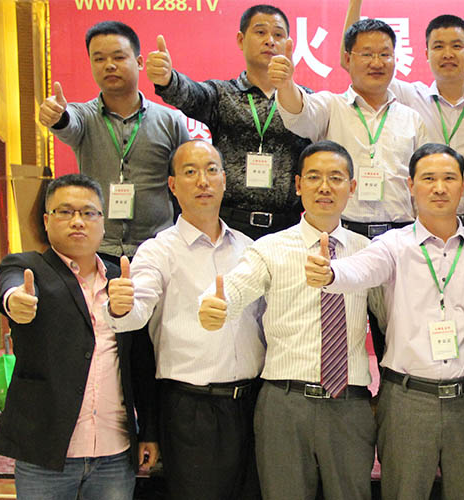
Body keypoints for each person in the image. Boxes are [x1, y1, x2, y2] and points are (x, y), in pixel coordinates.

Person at [304, 144, 464, 499]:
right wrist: (332, 273)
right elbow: (361, 269)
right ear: (410, 185)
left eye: (448, 178)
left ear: (463, 184)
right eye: (428, 178)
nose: (438, 188)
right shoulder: (391, 244)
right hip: (408, 401)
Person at [197, 141, 376, 500]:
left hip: (349, 403)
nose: (324, 187)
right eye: (314, 177)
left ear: (352, 187)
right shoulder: (269, 248)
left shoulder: (369, 252)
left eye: (336, 178)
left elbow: (392, 316)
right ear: (297, 185)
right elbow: (235, 287)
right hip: (284, 403)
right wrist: (213, 304)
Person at [104, 140, 264, 500]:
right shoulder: (158, 250)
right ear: (173, 186)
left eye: (211, 170)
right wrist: (121, 306)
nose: (203, 181)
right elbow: (136, 309)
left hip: (252, 404)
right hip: (192, 410)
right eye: (190, 172)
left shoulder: (249, 248)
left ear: (225, 180)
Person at [0, 174, 158, 499]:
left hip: (114, 453)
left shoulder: (120, 279)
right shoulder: (27, 267)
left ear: (103, 222)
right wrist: (15, 301)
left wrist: (149, 430)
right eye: (65, 212)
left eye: (88, 212)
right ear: (46, 220)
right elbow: (10, 288)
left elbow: (139, 364)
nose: (78, 221)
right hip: (45, 453)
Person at [148, 5, 312, 239]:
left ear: (288, 43)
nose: (270, 41)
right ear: (241, 40)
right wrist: (167, 79)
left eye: (278, 34)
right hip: (230, 226)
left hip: (287, 227)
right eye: (260, 32)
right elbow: (191, 94)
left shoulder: (305, 101)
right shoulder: (222, 94)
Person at [344, 2, 464, 242]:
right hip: (427, 223)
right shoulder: (410, 96)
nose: (448, 54)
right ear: (426, 54)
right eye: (438, 46)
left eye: (456, 46)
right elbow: (354, 64)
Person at [39, 21, 189, 260]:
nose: (109, 65)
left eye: (118, 57)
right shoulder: (83, 116)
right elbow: (68, 124)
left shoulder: (170, 121)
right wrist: (57, 117)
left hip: (158, 249)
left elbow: (185, 184)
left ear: (139, 62)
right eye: (99, 59)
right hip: (97, 251)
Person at [272, 17, 430, 239]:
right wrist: (286, 85)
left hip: (400, 235)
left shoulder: (411, 118)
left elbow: (423, 182)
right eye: (367, 54)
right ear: (347, 59)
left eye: (385, 54)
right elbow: (298, 112)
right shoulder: (331, 106)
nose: (377, 63)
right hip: (343, 234)